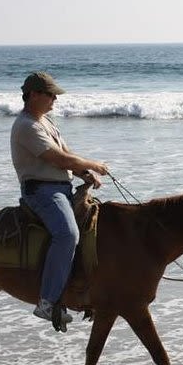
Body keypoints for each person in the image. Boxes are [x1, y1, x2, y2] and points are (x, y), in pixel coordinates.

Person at [10, 71, 108, 331]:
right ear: (33, 95)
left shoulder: (46, 122)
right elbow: (60, 160)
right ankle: (47, 301)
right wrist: (94, 164)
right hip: (42, 192)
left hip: (61, 188)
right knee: (67, 234)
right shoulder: (26, 126)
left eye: (55, 94)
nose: (55, 98)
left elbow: (67, 155)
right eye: (50, 94)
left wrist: (85, 174)